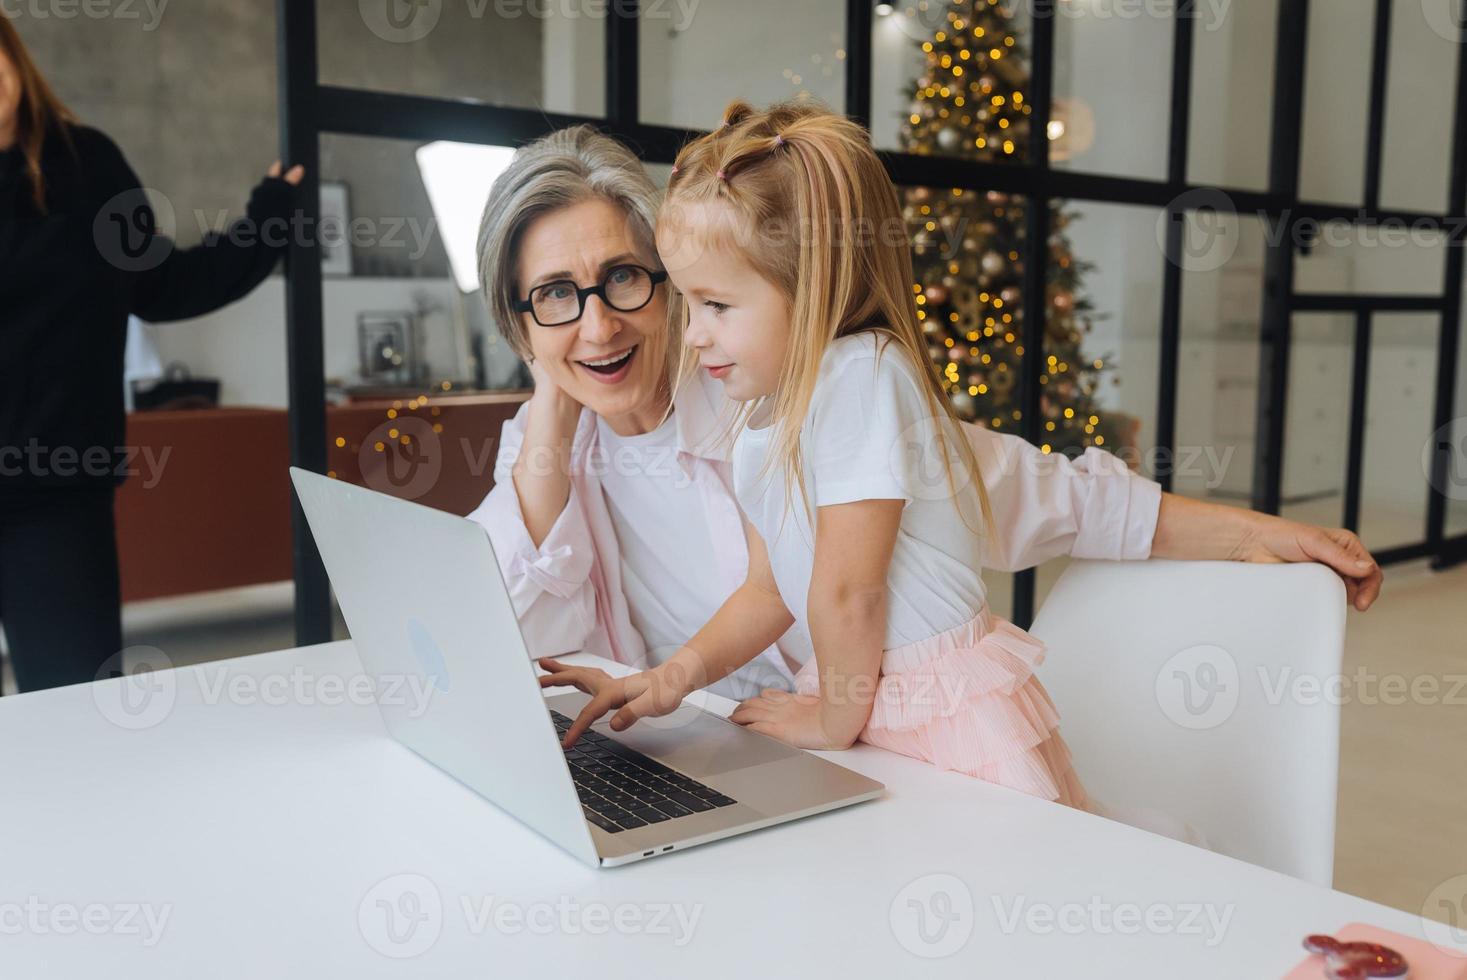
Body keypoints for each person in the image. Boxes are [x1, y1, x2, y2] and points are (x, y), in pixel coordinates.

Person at [468, 122, 1381, 708]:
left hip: (825, 756)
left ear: (671, 282)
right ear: (515, 320)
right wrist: (550, 397)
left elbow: (1052, 497)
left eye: (623, 279)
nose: (598, 322)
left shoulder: (786, 401)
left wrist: (1259, 533)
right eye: (553, 295)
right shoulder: (544, 448)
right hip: (679, 753)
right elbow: (507, 642)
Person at [0, 16, 304, 692]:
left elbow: (165, 284)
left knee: (74, 706)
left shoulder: (86, 166)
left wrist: (271, 217)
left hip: (56, 493)